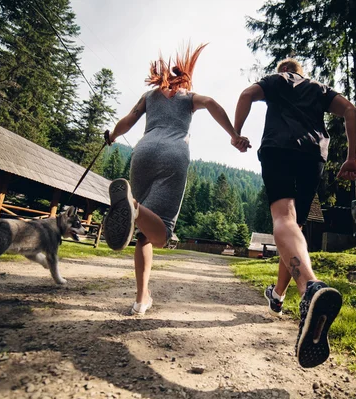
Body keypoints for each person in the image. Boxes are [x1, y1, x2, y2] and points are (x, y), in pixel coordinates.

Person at [103, 43, 251, 315]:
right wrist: (233, 134)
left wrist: (112, 136)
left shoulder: (150, 96)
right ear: (186, 80)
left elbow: (130, 119)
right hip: (173, 155)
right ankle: (133, 207)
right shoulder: (189, 97)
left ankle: (141, 299)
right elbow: (212, 104)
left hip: (143, 152)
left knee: (143, 237)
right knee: (161, 235)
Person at [234, 58, 356, 368]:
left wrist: (236, 133)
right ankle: (277, 295)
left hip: (279, 149)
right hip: (313, 156)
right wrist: (352, 156)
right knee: (295, 230)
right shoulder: (318, 88)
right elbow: (351, 111)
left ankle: (310, 288)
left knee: (283, 219)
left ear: (283, 71)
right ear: (301, 71)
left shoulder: (276, 81)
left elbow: (246, 95)